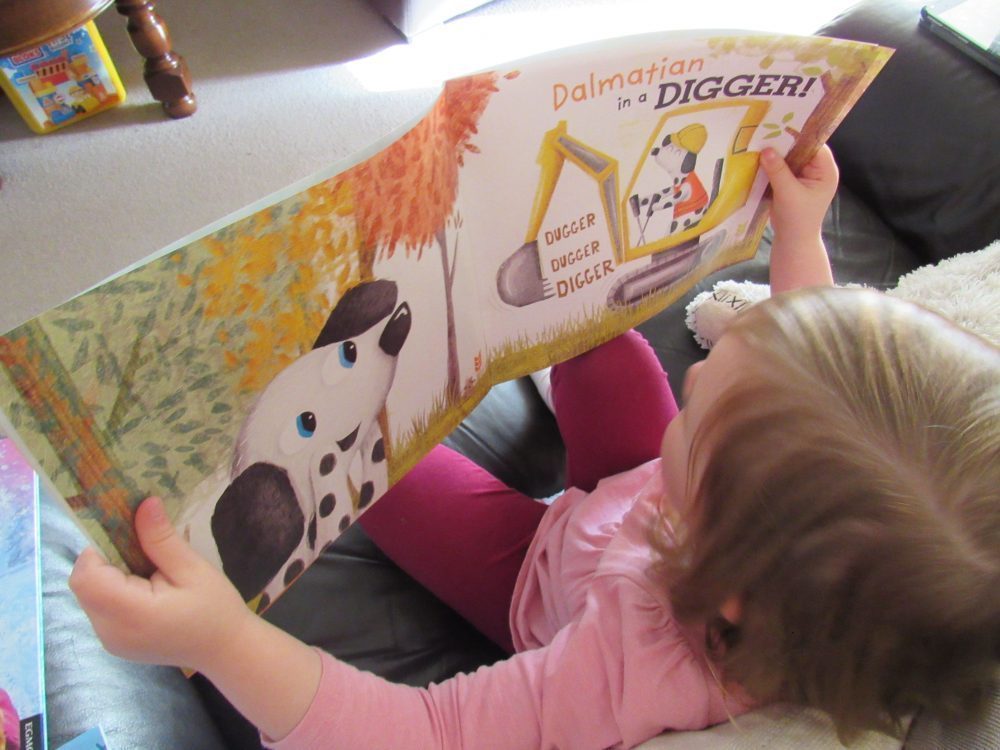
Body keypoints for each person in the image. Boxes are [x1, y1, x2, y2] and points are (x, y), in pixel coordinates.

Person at [69, 146, 1000, 749]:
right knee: (606, 346)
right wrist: (799, 227)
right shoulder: (785, 546)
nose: (696, 374)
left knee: (369, 466)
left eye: (702, 402)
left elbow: (422, 732)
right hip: (631, 491)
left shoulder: (629, 666)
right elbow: (818, 353)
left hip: (532, 577)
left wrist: (221, 642)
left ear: (729, 570)